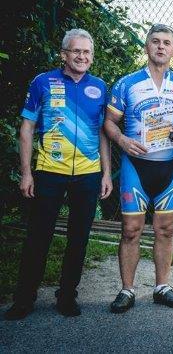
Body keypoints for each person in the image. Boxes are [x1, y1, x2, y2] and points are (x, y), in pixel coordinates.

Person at [4, 29, 112, 320]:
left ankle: (67, 296)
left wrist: (106, 174)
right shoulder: (42, 82)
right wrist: (26, 173)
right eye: (76, 51)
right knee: (38, 237)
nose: (82, 57)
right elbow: (26, 129)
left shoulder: (100, 87)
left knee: (79, 239)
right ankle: (24, 299)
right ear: (64, 54)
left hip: (88, 173)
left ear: (92, 57)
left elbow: (104, 133)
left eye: (87, 52)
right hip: (49, 172)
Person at [104, 24, 173, 313]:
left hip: (169, 167)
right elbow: (109, 122)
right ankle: (127, 289)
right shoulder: (127, 83)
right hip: (136, 166)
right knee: (131, 230)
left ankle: (162, 287)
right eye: (155, 41)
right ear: (146, 47)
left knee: (166, 230)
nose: (161, 46)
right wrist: (122, 140)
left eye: (166, 42)